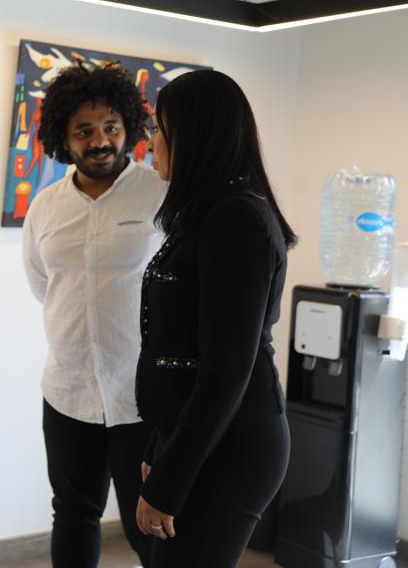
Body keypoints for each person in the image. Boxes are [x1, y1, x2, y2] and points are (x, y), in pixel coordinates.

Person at [135, 69, 293, 566]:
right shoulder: (209, 213)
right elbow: (176, 347)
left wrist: (169, 481)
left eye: (160, 129)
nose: (151, 142)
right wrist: (158, 447)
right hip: (201, 436)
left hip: (232, 445)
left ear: (194, 136)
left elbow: (224, 373)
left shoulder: (236, 220)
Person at [22, 62, 163, 568]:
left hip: (141, 397)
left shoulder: (159, 195)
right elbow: (43, 284)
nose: (99, 141)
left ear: (128, 127)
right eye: (84, 130)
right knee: (73, 514)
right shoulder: (45, 207)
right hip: (68, 392)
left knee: (149, 522)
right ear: (64, 138)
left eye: (110, 127)